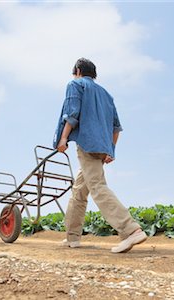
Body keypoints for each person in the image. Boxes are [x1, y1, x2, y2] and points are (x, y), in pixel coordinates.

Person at [53, 58, 147, 253]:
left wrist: (63, 139)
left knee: (97, 186)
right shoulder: (106, 94)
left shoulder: (75, 84)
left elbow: (72, 114)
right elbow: (116, 127)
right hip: (102, 146)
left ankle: (131, 230)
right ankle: (72, 236)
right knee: (80, 189)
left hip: (87, 143)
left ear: (77, 71)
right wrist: (111, 150)